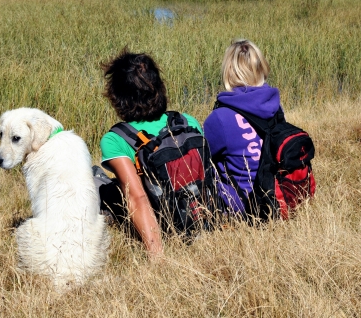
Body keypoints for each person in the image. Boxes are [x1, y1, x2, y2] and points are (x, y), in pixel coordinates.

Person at [97, 49, 204, 257]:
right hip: (197, 214)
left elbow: (137, 197)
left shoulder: (116, 138)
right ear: (159, 87)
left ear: (117, 96)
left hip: (162, 222)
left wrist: (157, 256)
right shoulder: (187, 122)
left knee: (96, 183)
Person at [203, 39, 280, 216]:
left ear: (229, 72)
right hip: (276, 196)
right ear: (261, 69)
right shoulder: (275, 108)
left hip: (241, 206)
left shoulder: (220, 118)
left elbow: (201, 158)